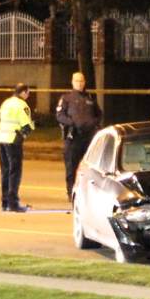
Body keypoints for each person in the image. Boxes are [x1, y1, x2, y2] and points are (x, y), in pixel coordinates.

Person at [55, 71, 102, 201]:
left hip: (88, 138)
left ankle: (89, 193)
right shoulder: (66, 98)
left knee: (91, 168)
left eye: (81, 81)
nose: (79, 83)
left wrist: (93, 123)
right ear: (72, 82)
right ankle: (71, 193)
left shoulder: (90, 97)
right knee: (71, 167)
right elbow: (60, 116)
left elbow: (99, 114)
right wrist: (72, 123)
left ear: (84, 82)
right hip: (73, 137)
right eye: (77, 81)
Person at [0, 83, 35, 212]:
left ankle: (5, 202)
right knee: (15, 172)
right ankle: (13, 203)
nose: (28, 95)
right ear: (23, 92)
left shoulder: (6, 103)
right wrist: (24, 135)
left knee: (5, 171)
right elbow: (27, 126)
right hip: (13, 140)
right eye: (28, 93)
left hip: (1, 139)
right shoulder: (22, 105)